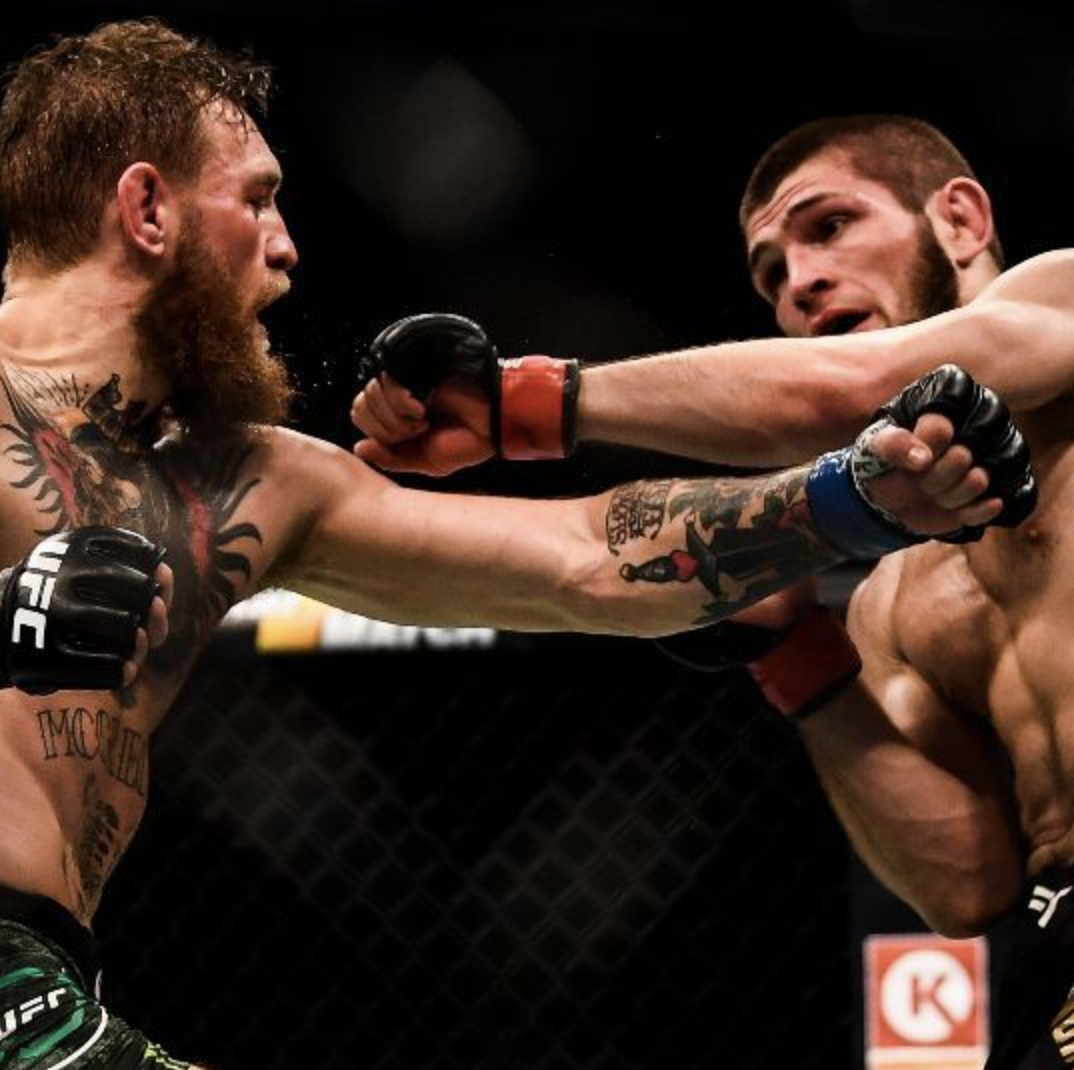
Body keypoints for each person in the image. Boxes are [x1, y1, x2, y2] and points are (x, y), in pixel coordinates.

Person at [0, 21, 1033, 1066]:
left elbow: (591, 557)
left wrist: (856, 496)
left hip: (51, 986)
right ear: (147, 209)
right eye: (259, 199)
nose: (287, 247)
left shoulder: (244, 483)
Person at [351, 114, 1074, 1069]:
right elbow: (966, 885)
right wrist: (794, 653)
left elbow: (834, 392)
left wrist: (523, 404)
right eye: (771, 276)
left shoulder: (1063, 296)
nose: (801, 281)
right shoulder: (888, 599)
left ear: (961, 220)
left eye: (830, 226)